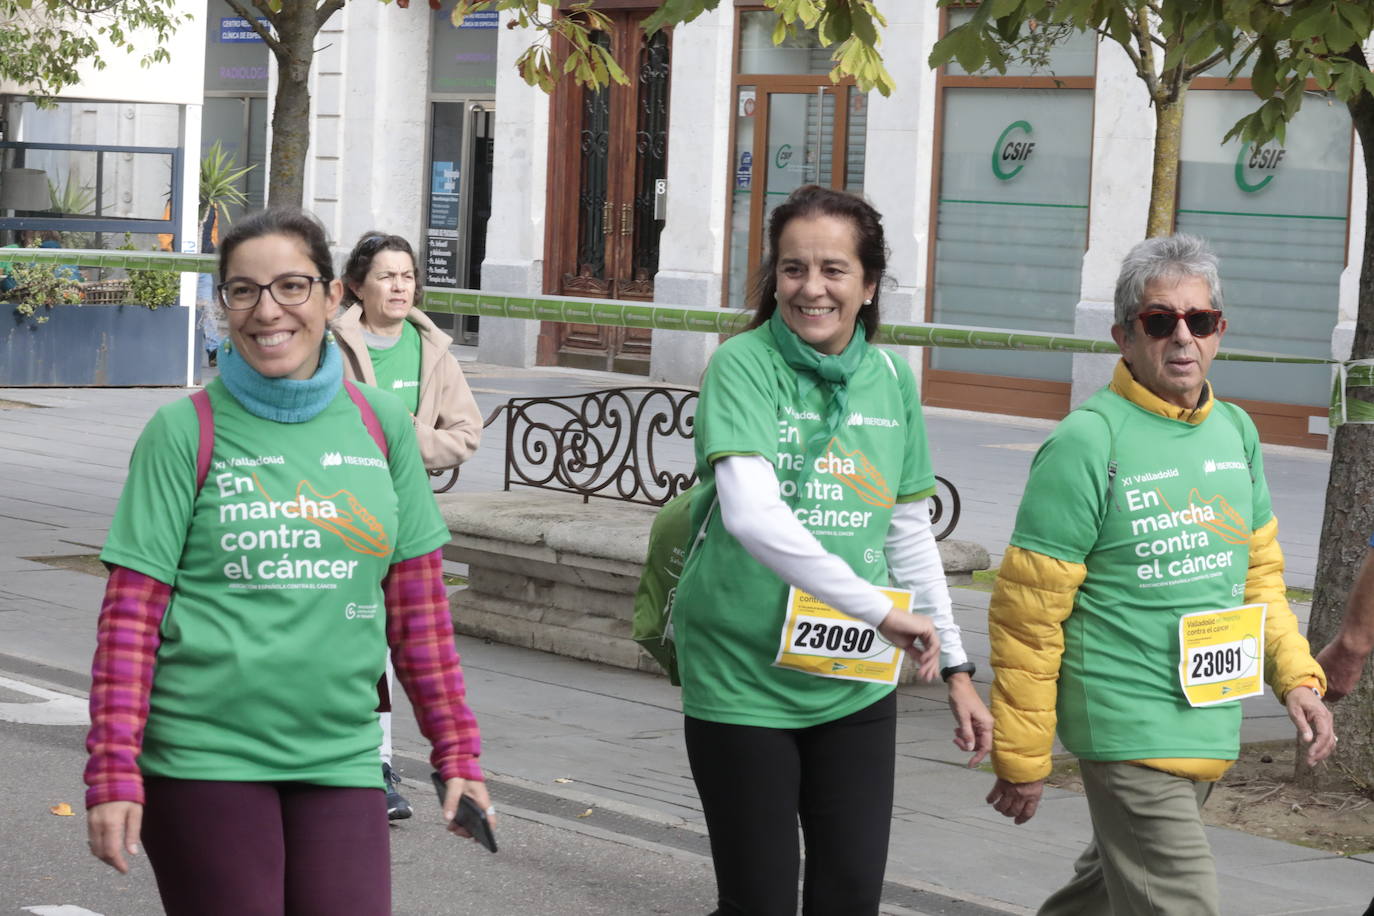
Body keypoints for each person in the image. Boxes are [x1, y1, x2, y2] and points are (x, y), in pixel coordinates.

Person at [84, 207, 493, 915]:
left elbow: (419, 616)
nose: (267, 309)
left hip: (340, 755)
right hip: (205, 756)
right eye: (243, 290)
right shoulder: (184, 431)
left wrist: (456, 752)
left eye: (292, 286)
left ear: (334, 297)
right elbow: (129, 618)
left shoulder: (382, 425)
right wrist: (113, 768)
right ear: (225, 305)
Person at [985, 234, 1334, 915]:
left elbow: (1259, 576)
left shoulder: (1234, 431)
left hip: (1205, 718)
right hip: (1126, 721)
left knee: (1103, 896)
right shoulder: (1089, 440)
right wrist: (1023, 756)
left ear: (1218, 331)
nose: (1182, 337)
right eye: (1159, 320)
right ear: (1124, 336)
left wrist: (1296, 677)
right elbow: (1029, 614)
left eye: (1198, 321)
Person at [671, 184, 993, 915]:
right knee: (760, 901)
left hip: (852, 673)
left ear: (869, 284)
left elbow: (908, 530)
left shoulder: (890, 380)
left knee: (850, 896)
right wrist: (880, 610)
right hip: (741, 673)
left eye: (833, 270)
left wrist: (958, 666)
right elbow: (752, 518)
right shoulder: (742, 366)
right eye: (792, 269)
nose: (810, 288)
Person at [333, 230, 483, 819]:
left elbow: (465, 435)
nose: (399, 286)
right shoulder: (332, 345)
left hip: (407, 518)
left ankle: (379, 761)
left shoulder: (432, 348)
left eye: (406, 275)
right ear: (356, 287)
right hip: (343, 516)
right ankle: (375, 764)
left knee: (407, 645)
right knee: (361, 638)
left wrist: (401, 434)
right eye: (385, 276)